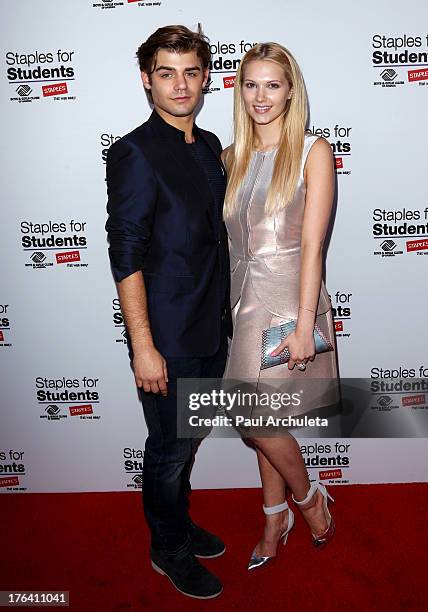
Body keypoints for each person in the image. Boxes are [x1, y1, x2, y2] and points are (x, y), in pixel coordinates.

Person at [105, 25, 231, 599]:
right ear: (146, 80)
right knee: (168, 448)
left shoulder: (207, 146)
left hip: (212, 326)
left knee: (188, 438)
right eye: (165, 72)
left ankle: (177, 521)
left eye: (190, 72)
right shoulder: (134, 152)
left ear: (205, 77)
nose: (180, 85)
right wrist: (144, 346)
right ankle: (167, 547)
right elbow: (126, 253)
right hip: (168, 337)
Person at [222, 42, 339, 570]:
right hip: (241, 304)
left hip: (291, 300)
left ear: (291, 90)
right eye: (250, 84)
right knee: (262, 419)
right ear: (239, 89)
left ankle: (306, 500)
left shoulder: (314, 150)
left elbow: (315, 245)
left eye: (272, 84)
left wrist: (305, 324)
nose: (260, 96)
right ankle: (277, 514)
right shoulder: (230, 156)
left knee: (253, 418)